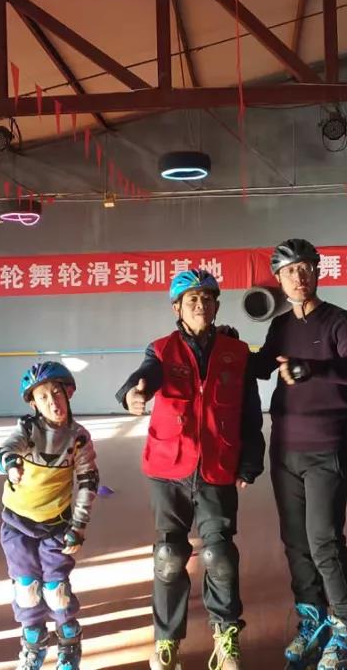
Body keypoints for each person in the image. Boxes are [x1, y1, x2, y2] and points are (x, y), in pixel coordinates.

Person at [118, 268, 265, 670]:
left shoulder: (236, 352)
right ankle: (166, 640)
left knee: (220, 555)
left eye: (207, 298)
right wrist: (132, 394)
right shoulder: (162, 350)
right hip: (169, 468)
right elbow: (143, 377)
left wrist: (250, 461)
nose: (201, 305)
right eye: (192, 299)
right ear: (177, 308)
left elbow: (250, 412)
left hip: (218, 466)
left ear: (216, 306)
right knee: (169, 555)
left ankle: (226, 635)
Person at [252, 239, 347, 670]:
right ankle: (313, 620)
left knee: (324, 540)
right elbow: (261, 365)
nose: (298, 278)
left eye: (305, 269)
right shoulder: (281, 326)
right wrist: (224, 345)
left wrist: (314, 368)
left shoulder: (340, 321)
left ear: (317, 272)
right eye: (289, 271)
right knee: (296, 543)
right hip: (285, 447)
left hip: (326, 446)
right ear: (279, 280)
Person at [0, 361, 99, 670]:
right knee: (26, 588)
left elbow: (88, 481)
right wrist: (10, 463)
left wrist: (79, 525)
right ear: (34, 404)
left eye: (57, 393)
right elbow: (1, 452)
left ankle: (69, 642)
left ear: (68, 394)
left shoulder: (78, 437)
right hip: (18, 524)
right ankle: (33, 643)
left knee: (56, 591)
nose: (53, 402)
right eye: (43, 397)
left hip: (56, 525)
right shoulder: (28, 430)